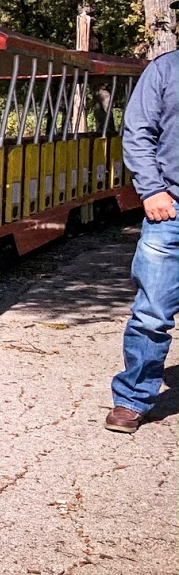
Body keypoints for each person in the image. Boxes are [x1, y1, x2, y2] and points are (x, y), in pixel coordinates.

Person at [107, 48, 179, 432]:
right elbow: (138, 130)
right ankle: (133, 398)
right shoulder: (165, 69)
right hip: (171, 211)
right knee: (152, 314)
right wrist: (151, 190)